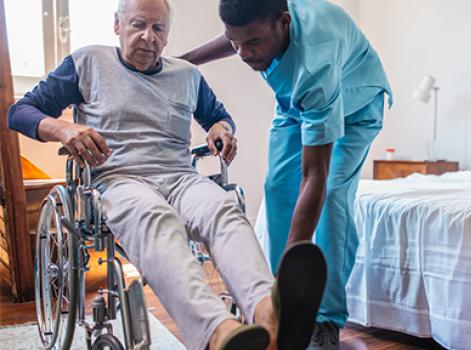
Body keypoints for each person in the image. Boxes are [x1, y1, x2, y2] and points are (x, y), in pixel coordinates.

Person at [7, 0, 327, 349]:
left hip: (180, 177)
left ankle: (270, 314)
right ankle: (220, 332)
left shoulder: (187, 75)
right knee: (156, 218)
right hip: (120, 177)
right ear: (118, 25)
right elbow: (20, 111)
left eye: (158, 29)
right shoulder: (88, 62)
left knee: (224, 209)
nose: (148, 36)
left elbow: (218, 116)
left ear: (168, 35)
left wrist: (221, 129)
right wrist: (62, 129)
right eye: (138, 25)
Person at [180, 0, 393, 348]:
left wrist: (293, 274)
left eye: (253, 44)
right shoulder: (261, 17)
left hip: (355, 106)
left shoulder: (315, 62)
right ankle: (279, 308)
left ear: (283, 23)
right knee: (277, 188)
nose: (244, 54)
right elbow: (236, 35)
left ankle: (324, 319)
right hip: (296, 104)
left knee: (334, 195)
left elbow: (314, 176)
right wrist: (182, 62)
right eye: (237, 44)